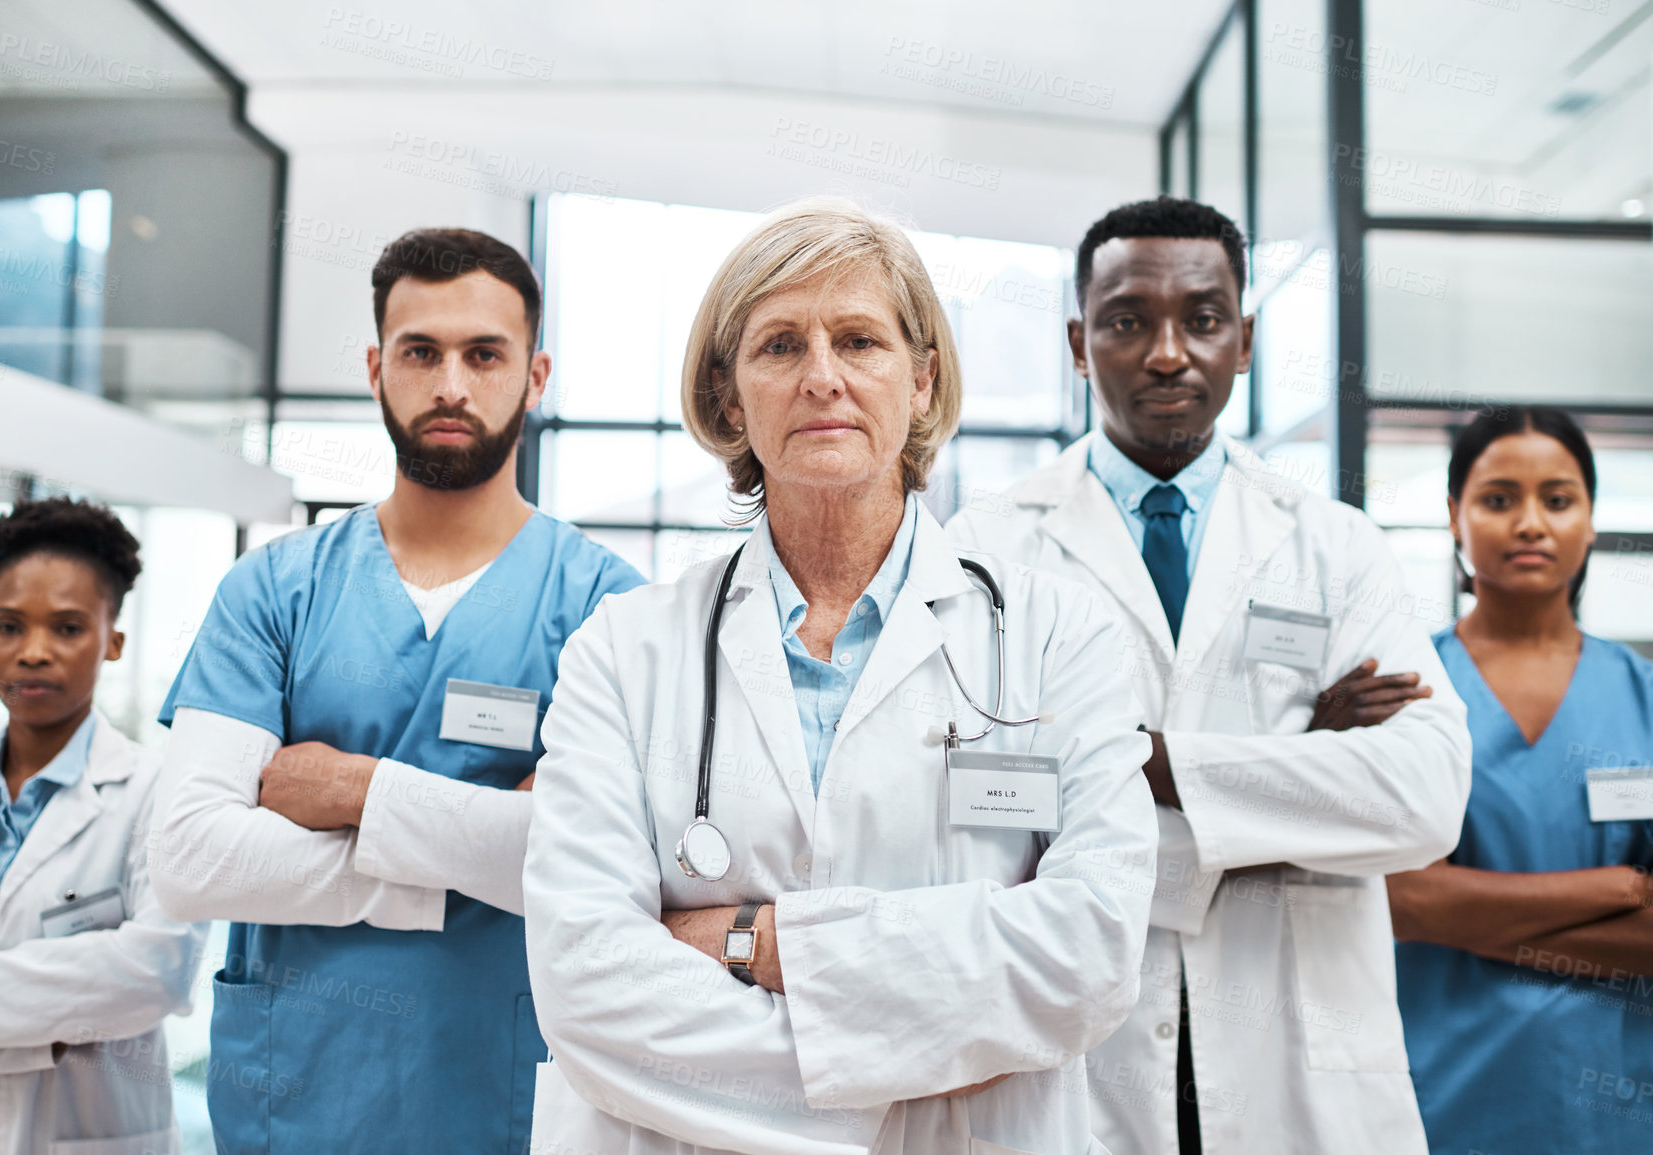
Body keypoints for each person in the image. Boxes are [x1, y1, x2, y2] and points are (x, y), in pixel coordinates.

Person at [523, 197, 1159, 1155]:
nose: (822, 376)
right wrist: (914, 1066)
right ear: (732, 398)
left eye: (858, 340)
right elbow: (586, 984)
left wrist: (752, 942)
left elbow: (1089, 952)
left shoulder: (1057, 635)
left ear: (920, 380)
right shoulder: (622, 649)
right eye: (779, 345)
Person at [946, 196, 1472, 1155]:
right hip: (1080, 1051)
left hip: (1301, 1065)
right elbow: (982, 803)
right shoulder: (988, 545)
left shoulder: (1334, 544)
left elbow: (1425, 797)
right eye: (1125, 319)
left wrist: (1149, 765)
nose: (1164, 351)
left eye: (1201, 317)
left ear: (1244, 339)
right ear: (1077, 341)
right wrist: (1294, 775)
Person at [148, 228, 644, 1153]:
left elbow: (594, 864)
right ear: (378, 368)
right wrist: (470, 856)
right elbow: (189, 858)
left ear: (535, 378)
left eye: (483, 354)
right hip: (292, 1093)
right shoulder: (274, 589)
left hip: (502, 1094)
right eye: (421, 352)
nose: (450, 384)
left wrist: (350, 792)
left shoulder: (609, 607)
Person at [1389, 406, 1653, 1155]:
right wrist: (1616, 889)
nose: (1529, 522)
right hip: (1437, 1098)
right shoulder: (1405, 691)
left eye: (1558, 499)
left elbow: (1433, 904)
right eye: (1498, 498)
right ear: (1452, 515)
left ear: (1591, 519)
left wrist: (1464, 913)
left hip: (1614, 1104)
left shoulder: (1643, 697)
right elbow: (1400, 901)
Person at [0, 498, 206, 1155]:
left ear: (113, 640)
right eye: (9, 625)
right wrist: (54, 1016)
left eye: (68, 627)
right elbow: (106, 983)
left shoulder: (158, 794)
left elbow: (157, 972)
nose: (33, 653)